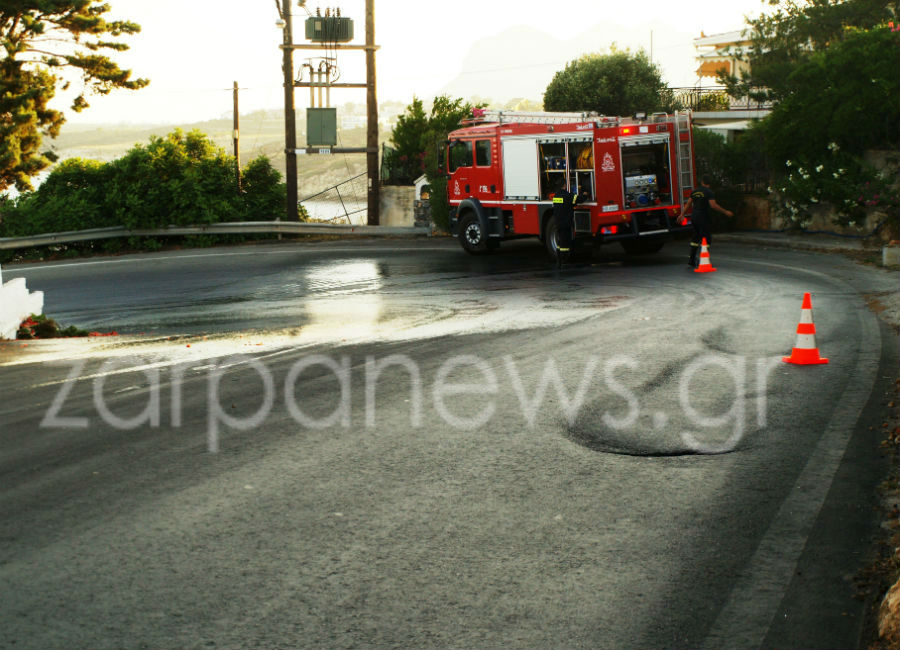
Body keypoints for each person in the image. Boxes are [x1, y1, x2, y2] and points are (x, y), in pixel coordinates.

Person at [679, 175, 733, 268]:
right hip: (703, 217)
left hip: (694, 217)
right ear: (709, 183)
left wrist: (682, 214)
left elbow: (688, 203)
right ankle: (704, 259)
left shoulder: (695, 191)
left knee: (695, 238)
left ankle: (691, 260)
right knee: (706, 238)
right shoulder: (709, 192)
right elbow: (713, 205)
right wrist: (725, 211)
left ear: (702, 182)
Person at [552, 180, 587, 268]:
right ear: (564, 186)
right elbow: (579, 199)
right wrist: (585, 195)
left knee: (560, 241)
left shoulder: (556, 196)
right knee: (565, 241)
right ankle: (563, 260)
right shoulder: (567, 195)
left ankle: (559, 258)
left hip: (558, 222)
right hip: (566, 223)